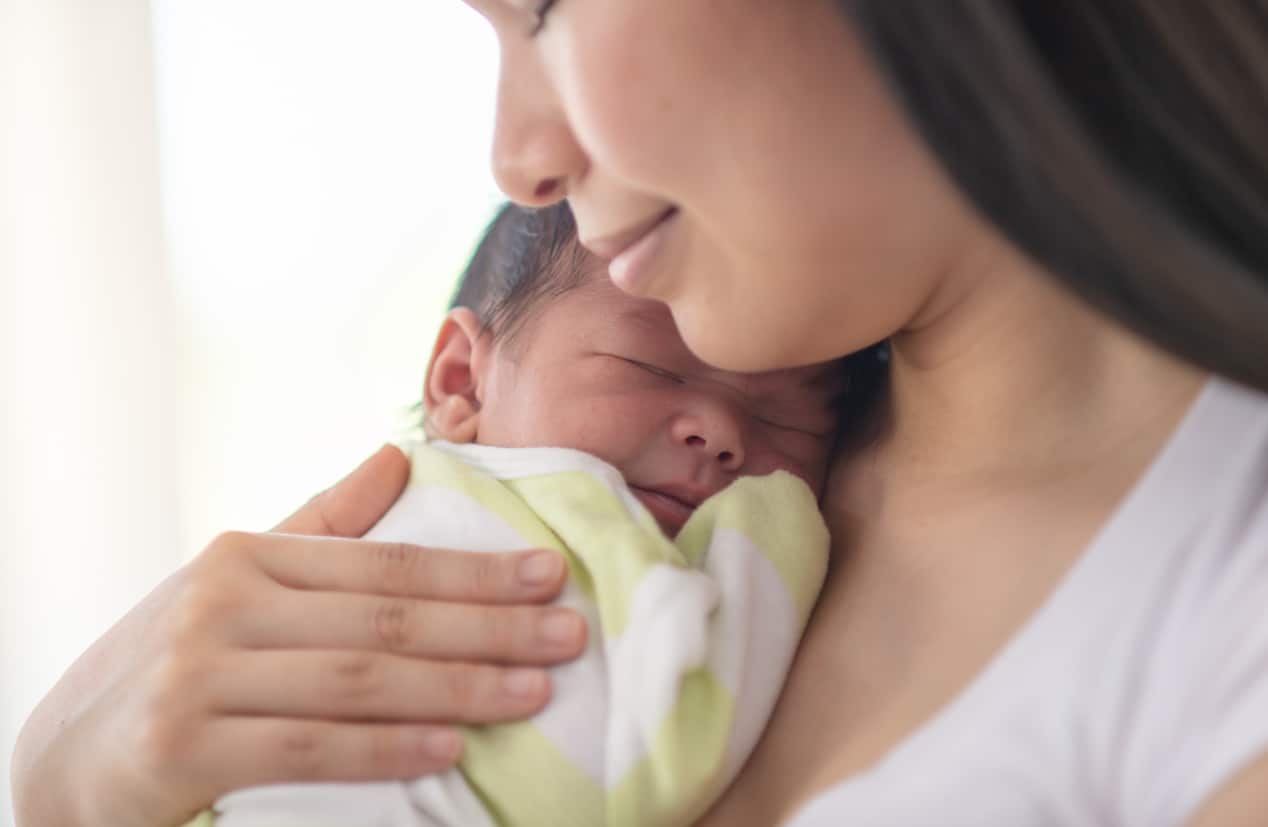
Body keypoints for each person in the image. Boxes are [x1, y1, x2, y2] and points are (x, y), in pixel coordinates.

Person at [14, 2, 1268, 826]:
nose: (517, 157)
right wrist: (69, 790)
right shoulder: (607, 485)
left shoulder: (1219, 590)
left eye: (545, 11)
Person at [189, 201, 858, 827]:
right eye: (650, 365)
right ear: (462, 380)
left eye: (785, 418)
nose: (721, 430)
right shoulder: (379, 517)